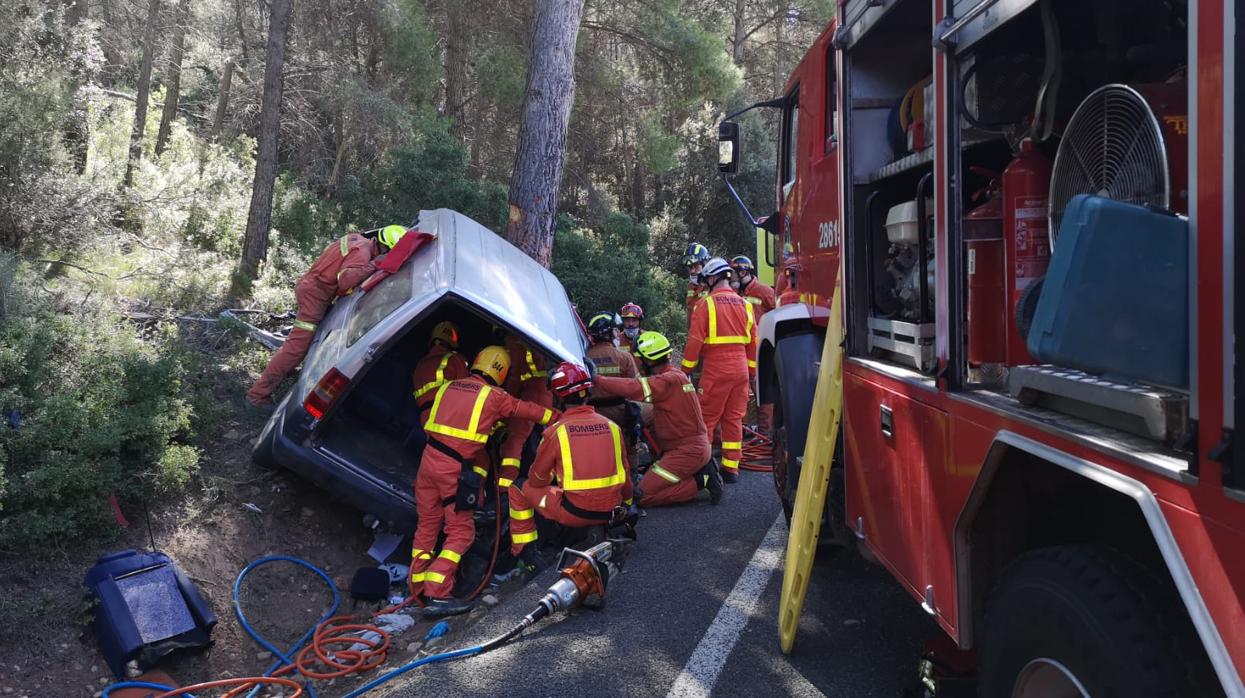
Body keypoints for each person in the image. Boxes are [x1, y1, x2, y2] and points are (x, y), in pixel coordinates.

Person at [410, 345, 557, 616]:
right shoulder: (495, 396)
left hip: (428, 462)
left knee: (428, 526)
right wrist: (557, 417)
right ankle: (437, 593)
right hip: (452, 470)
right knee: (461, 531)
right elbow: (527, 410)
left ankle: (417, 587)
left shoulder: (448, 387)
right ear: (501, 372)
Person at [247, 225, 408, 405]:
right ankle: (257, 395)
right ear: (385, 248)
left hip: (312, 287)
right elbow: (345, 280)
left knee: (303, 342)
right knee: (296, 348)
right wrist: (374, 264)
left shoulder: (356, 239)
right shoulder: (363, 255)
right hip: (315, 295)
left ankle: (286, 369)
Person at [507, 362, 634, 565]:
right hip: (612, 509)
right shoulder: (612, 427)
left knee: (518, 488)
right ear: (587, 392)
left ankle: (525, 553)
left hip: (574, 513)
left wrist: (552, 477)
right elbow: (626, 475)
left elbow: (537, 480)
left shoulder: (556, 432)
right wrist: (627, 505)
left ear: (558, 397)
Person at [593, 331, 720, 507]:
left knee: (642, 496)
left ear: (650, 360)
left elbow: (633, 388)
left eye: (640, 358)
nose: (639, 362)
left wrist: (597, 379)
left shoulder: (667, 381)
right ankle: (697, 472)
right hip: (687, 448)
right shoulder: (676, 376)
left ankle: (701, 480)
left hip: (686, 452)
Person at [681, 257, 755, 483]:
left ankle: (704, 469)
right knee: (734, 418)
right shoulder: (746, 305)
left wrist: (686, 371)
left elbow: (694, 341)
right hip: (741, 368)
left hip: (716, 367)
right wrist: (751, 374)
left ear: (713, 278)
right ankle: (731, 468)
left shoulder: (706, 305)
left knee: (707, 419)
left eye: (706, 280)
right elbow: (753, 342)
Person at [585, 311, 642, 467]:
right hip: (619, 413)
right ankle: (634, 476)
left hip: (591, 413)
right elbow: (637, 389)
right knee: (632, 443)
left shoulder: (582, 356)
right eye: (615, 330)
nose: (618, 333)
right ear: (608, 333)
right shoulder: (624, 357)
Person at [497, 334, 554, 490]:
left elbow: (515, 376)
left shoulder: (513, 341)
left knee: (514, 441)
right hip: (547, 393)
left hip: (531, 394)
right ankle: (551, 480)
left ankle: (504, 487)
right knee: (551, 440)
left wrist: (508, 396)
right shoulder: (537, 333)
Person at [730, 255, 776, 438]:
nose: (731, 278)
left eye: (734, 274)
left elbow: (776, 317)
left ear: (743, 272)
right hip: (741, 349)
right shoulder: (736, 294)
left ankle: (766, 434)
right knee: (742, 393)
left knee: (762, 391)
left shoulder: (764, 291)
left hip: (761, 351)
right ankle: (745, 431)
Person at [411, 321, 470, 422]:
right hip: (445, 416)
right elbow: (467, 391)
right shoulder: (455, 359)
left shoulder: (421, 363)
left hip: (424, 418)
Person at [682, 242, 711, 318]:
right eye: (690, 267)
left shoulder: (714, 286)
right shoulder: (691, 286)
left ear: (705, 264)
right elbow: (690, 313)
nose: (692, 271)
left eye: (696, 266)